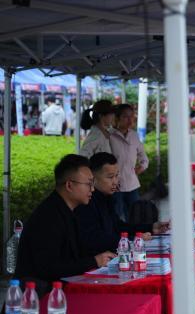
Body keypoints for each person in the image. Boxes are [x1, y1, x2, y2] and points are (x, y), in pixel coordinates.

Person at [14, 155, 116, 296]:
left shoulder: (67, 210)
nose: (92, 189)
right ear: (69, 185)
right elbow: (49, 268)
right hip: (37, 297)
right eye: (88, 184)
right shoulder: (49, 216)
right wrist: (94, 261)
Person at [76, 153, 168, 255]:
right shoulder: (86, 201)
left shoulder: (106, 198)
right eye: (110, 177)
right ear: (92, 178)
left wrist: (151, 228)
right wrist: (131, 240)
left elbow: (118, 226)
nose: (115, 182)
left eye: (116, 176)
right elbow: (96, 238)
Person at [109, 104, 149, 221]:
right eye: (126, 117)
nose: (130, 120)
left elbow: (143, 157)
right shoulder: (109, 136)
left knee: (135, 217)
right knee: (116, 218)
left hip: (132, 185)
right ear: (116, 118)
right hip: (115, 187)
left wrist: (142, 167)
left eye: (132, 116)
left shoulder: (134, 135)